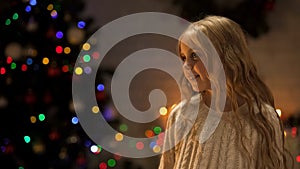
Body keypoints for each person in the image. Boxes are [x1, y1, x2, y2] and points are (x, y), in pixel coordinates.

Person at [158, 16, 293, 169]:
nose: (186, 66)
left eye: (195, 55)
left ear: (224, 56)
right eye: (183, 58)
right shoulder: (181, 114)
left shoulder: (262, 118)